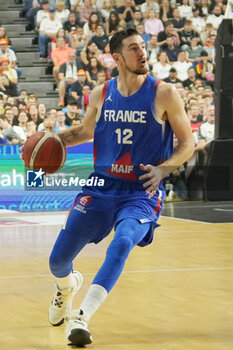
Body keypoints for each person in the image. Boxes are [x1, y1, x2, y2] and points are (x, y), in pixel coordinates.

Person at [21, 28, 194, 346]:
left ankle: (82, 317)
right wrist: (50, 142)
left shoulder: (164, 93)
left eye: (143, 46)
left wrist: (164, 169)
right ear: (117, 57)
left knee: (124, 240)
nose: (142, 52)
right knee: (57, 261)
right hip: (101, 187)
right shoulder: (101, 93)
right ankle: (66, 286)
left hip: (141, 190)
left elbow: (188, 143)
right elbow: (86, 131)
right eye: (133, 48)